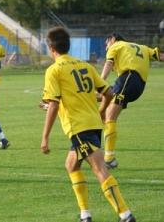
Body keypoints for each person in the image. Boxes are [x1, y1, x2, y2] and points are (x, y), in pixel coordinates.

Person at [40, 27, 136, 222]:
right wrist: (101, 111)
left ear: (51, 48)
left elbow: (53, 104)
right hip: (92, 123)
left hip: (78, 127)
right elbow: (108, 93)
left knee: (100, 169)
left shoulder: (54, 70)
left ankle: (125, 215)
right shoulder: (85, 66)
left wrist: (45, 137)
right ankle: (85, 215)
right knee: (71, 165)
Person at [100, 33, 164, 169]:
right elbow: (160, 56)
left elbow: (108, 62)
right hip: (138, 85)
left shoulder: (116, 45)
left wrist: (99, 82)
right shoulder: (142, 47)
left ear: (112, 39)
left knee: (109, 117)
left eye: (106, 44)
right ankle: (105, 154)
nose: (106, 47)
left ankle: (109, 159)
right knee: (107, 105)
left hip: (128, 77)